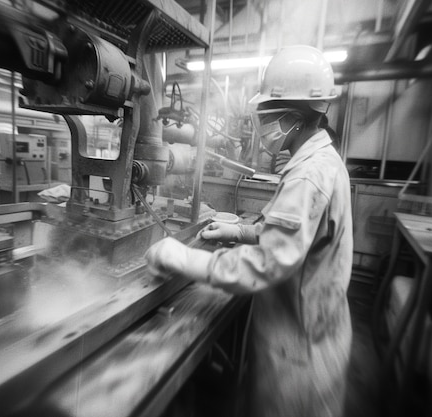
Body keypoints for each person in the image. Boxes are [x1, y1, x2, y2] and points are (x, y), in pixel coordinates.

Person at [146, 45, 353, 417]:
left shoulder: (309, 174)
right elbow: (296, 240)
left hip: (300, 356)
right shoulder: (316, 161)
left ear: (292, 117)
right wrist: (240, 232)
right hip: (302, 331)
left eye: (268, 114)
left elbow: (266, 265)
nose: (262, 125)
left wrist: (182, 257)